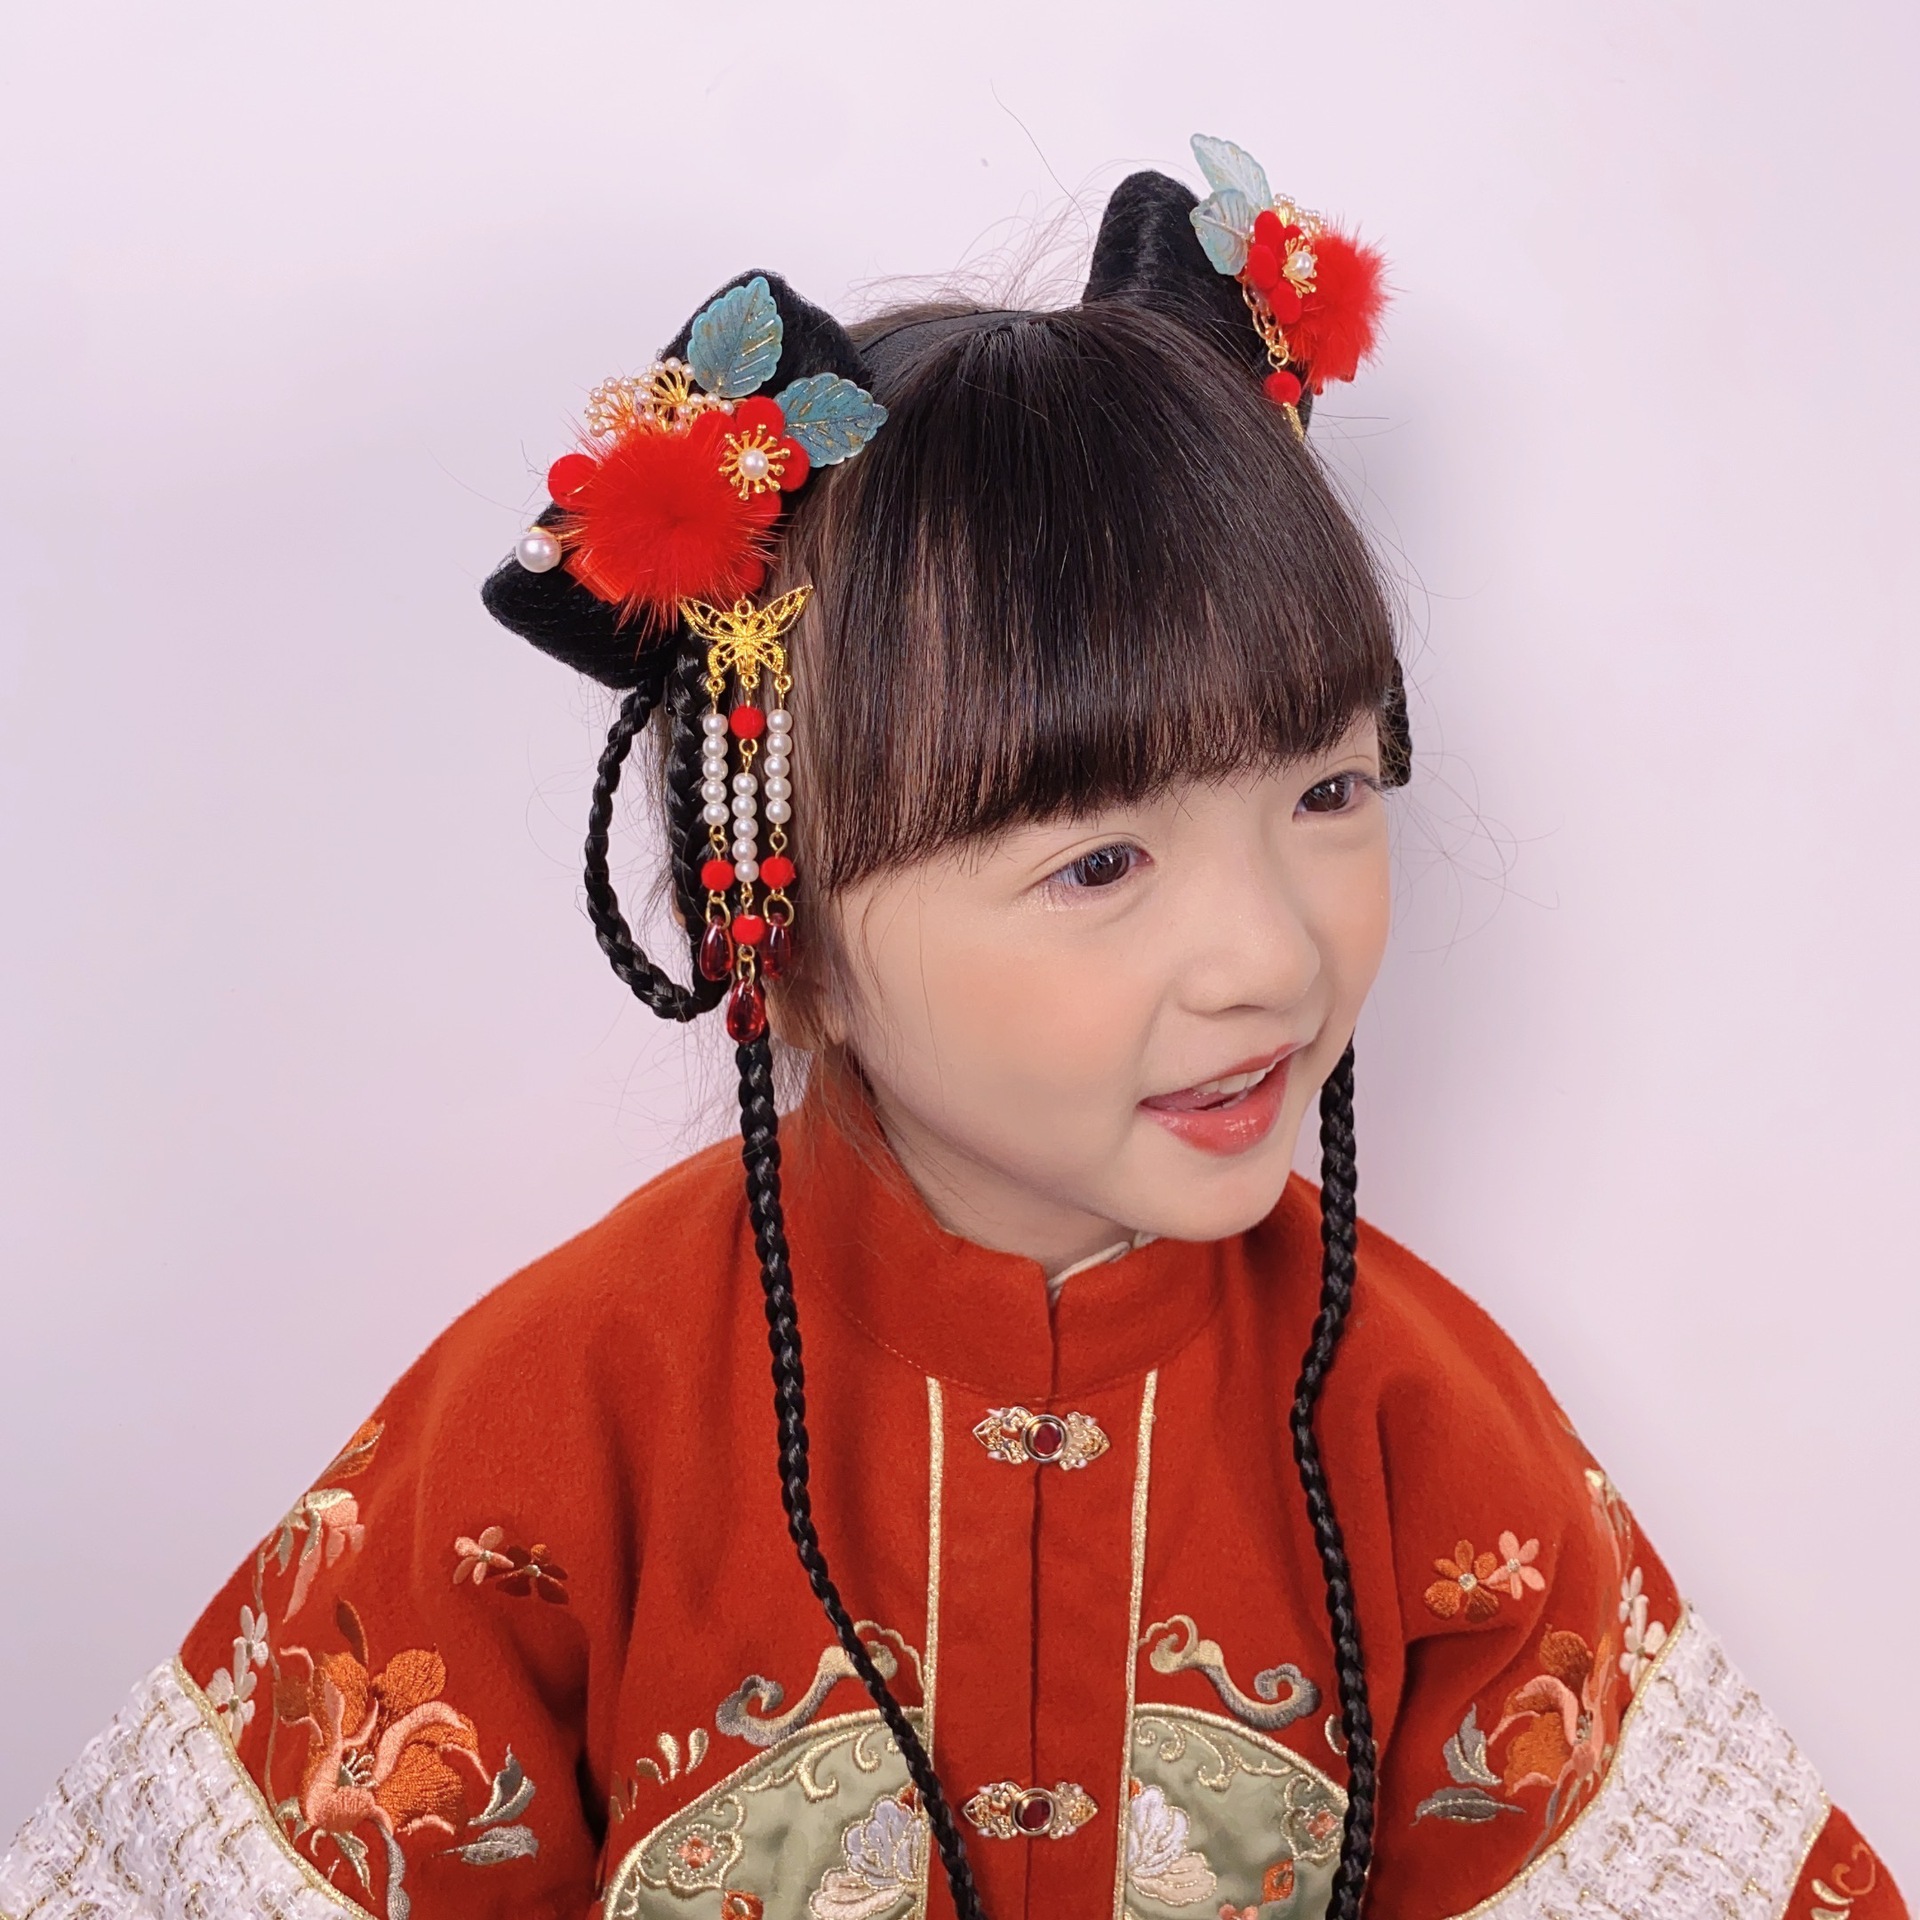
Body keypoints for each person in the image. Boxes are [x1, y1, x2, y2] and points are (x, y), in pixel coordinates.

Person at [0, 135, 1902, 1920]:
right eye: (1099, 863)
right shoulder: (560, 1420)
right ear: (787, 935)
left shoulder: (1417, 1417)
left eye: (1326, 793)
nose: (1267, 956)